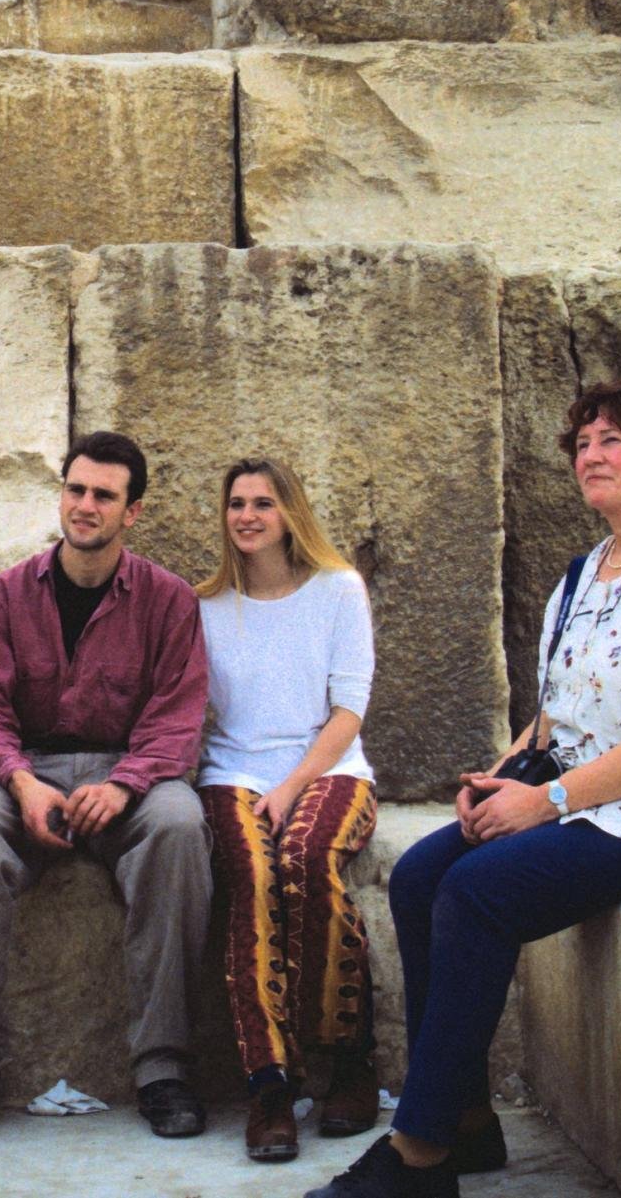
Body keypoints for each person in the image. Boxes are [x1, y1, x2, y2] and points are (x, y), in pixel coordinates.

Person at [307, 377, 621, 1198]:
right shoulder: (583, 574)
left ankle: (418, 1154)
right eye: (582, 442)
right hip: (595, 795)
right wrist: (502, 777)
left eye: (613, 438)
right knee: (420, 874)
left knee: (478, 890)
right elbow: (555, 715)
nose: (591, 454)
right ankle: (466, 1121)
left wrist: (547, 801)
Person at [0, 431, 212, 1146]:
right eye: (76, 489)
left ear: (132, 512)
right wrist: (21, 782)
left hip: (129, 777)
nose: (85, 505)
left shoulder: (169, 600)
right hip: (23, 772)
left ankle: (163, 1068)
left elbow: (177, 717)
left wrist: (125, 784)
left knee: (180, 826)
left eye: (104, 495)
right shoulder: (6, 594)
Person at [196, 457, 379, 1163]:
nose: (247, 516)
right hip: (233, 773)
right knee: (252, 872)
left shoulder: (338, 589)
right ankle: (270, 1085)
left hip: (331, 768)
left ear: (290, 512)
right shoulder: (206, 604)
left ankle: (350, 1060)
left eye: (263, 503)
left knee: (304, 855)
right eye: (236, 503)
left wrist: (293, 785)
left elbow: (349, 709)